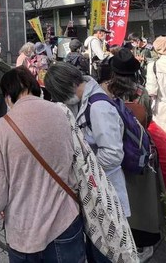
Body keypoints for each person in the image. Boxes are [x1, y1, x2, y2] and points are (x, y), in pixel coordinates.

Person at [0, 67, 85, 262]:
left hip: (24, 231)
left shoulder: (2, 128)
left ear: (7, 96)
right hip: (65, 222)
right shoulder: (61, 113)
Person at [44, 63, 131, 222]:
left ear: (72, 84)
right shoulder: (82, 102)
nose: (64, 100)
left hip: (107, 187)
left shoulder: (98, 107)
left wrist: (83, 169)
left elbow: (113, 154)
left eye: (63, 95)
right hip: (97, 185)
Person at [101, 50, 164, 262]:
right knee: (142, 200)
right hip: (138, 150)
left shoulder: (104, 91)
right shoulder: (140, 92)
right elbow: (147, 119)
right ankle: (144, 241)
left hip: (111, 148)